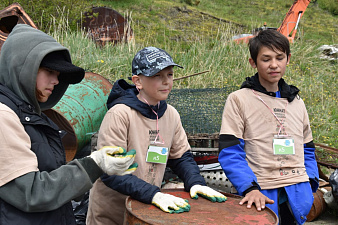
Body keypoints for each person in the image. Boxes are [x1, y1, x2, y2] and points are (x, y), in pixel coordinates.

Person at [0, 24, 137, 225]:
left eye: (58, 74)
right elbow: (31, 193)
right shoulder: (5, 115)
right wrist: (93, 165)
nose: (56, 81)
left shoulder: (29, 114)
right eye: (49, 71)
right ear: (21, 67)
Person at [86, 46, 227, 225]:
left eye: (169, 75)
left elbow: (181, 157)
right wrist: (153, 194)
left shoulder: (171, 115)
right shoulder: (120, 114)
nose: (166, 81)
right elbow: (110, 171)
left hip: (147, 208)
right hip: (113, 212)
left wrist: (195, 182)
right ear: (138, 81)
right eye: (157, 76)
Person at [218, 29, 319, 225]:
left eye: (279, 58)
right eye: (266, 59)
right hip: (261, 194)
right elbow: (230, 151)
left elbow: (308, 148)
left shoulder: (297, 102)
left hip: (298, 195)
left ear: (288, 59)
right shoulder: (239, 100)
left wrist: (310, 183)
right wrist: (249, 188)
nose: (274, 65)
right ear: (253, 62)